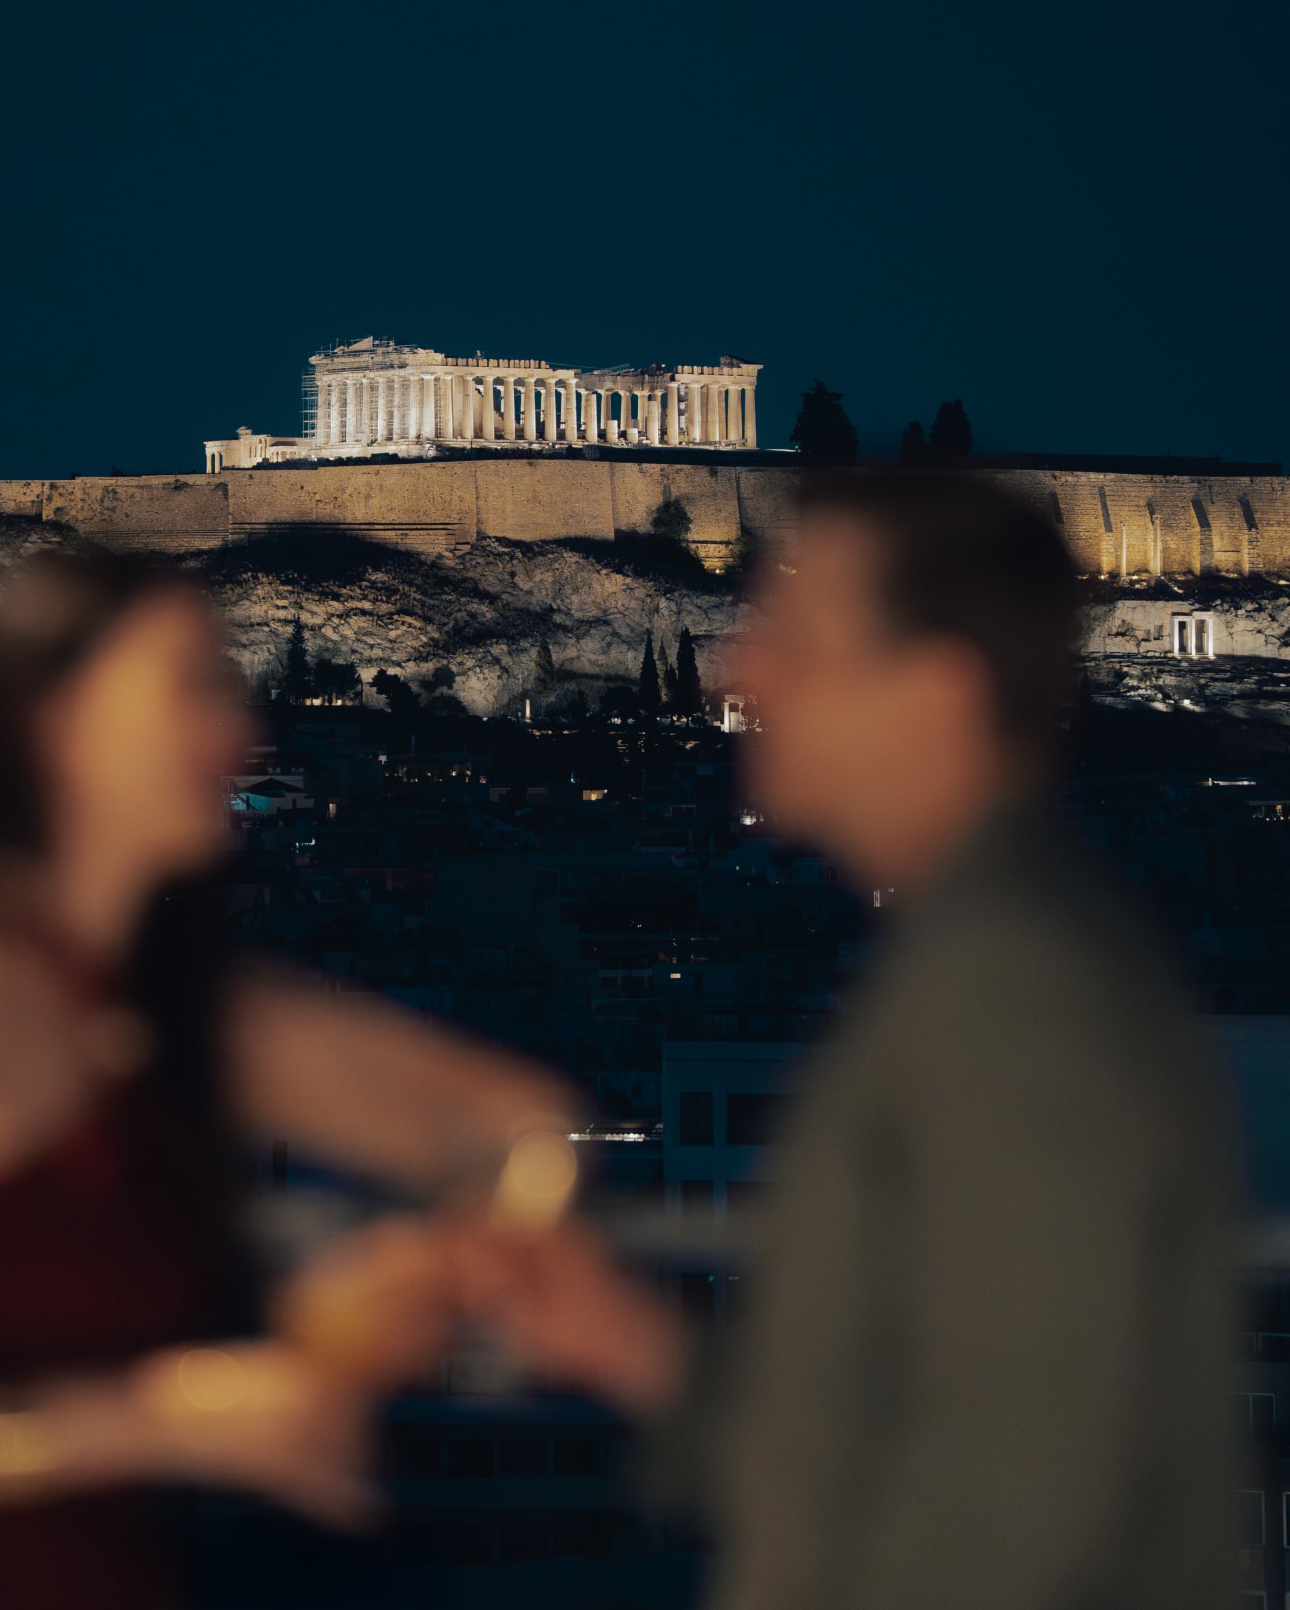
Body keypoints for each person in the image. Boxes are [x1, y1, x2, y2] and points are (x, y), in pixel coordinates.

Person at [0, 549, 575, 1610]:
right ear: (52, 721)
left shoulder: (163, 1007)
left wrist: (397, 1288)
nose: (237, 734)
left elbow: (517, 1123)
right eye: (188, 685)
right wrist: (165, 1420)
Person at [469, 471, 1246, 1610]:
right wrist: (635, 1350)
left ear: (934, 693)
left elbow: (1019, 1507)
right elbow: (898, 1444)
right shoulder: (972, 950)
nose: (739, 671)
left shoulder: (1010, 990)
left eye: (790, 636)